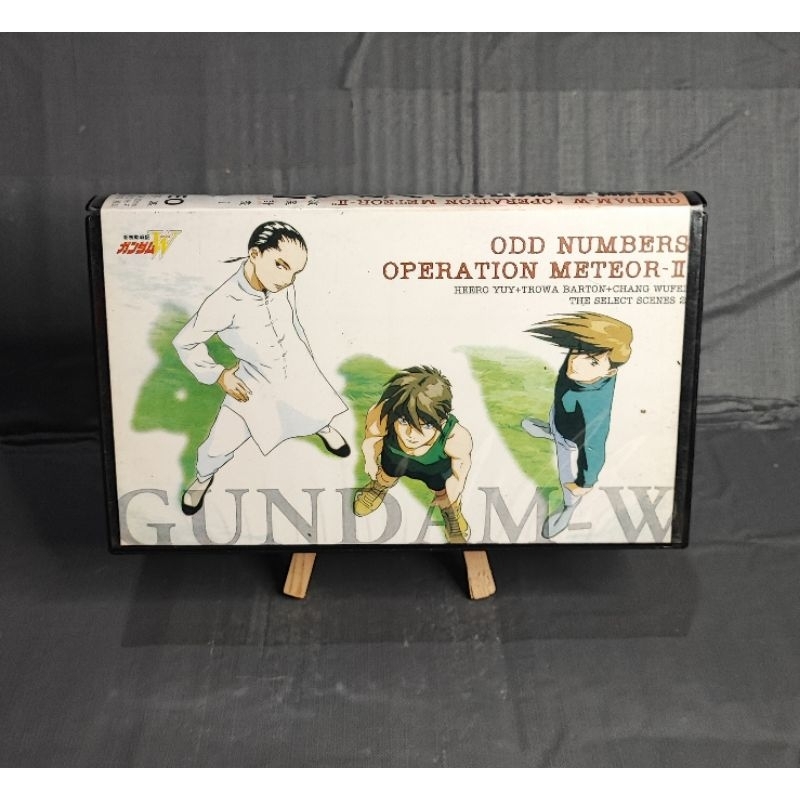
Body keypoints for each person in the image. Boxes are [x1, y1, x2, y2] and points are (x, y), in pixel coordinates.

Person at [174, 221, 349, 516]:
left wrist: (305, 356)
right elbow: (186, 342)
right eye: (281, 265)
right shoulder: (223, 301)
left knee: (315, 408)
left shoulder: (281, 286)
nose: (288, 280)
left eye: (295, 272)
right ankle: (203, 479)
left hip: (297, 369)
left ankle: (324, 428)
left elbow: (293, 322)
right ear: (255, 254)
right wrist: (219, 375)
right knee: (219, 444)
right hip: (256, 382)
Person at [522, 312, 633, 539]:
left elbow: (593, 447)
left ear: (610, 371)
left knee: (567, 477)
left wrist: (585, 482)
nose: (576, 363)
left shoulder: (593, 411)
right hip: (563, 415)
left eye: (592, 362)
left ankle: (568, 508)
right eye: (575, 351)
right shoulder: (585, 370)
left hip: (572, 441)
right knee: (558, 416)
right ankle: (551, 431)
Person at [353, 366, 473, 544]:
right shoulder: (383, 413)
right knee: (385, 475)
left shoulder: (455, 436)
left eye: (426, 425)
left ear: (442, 420)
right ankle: (378, 488)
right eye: (403, 421)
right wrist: (370, 460)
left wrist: (453, 493)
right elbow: (373, 438)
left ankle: (451, 513)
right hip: (394, 458)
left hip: (435, 469)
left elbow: (460, 470)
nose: (411, 434)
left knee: (445, 494)